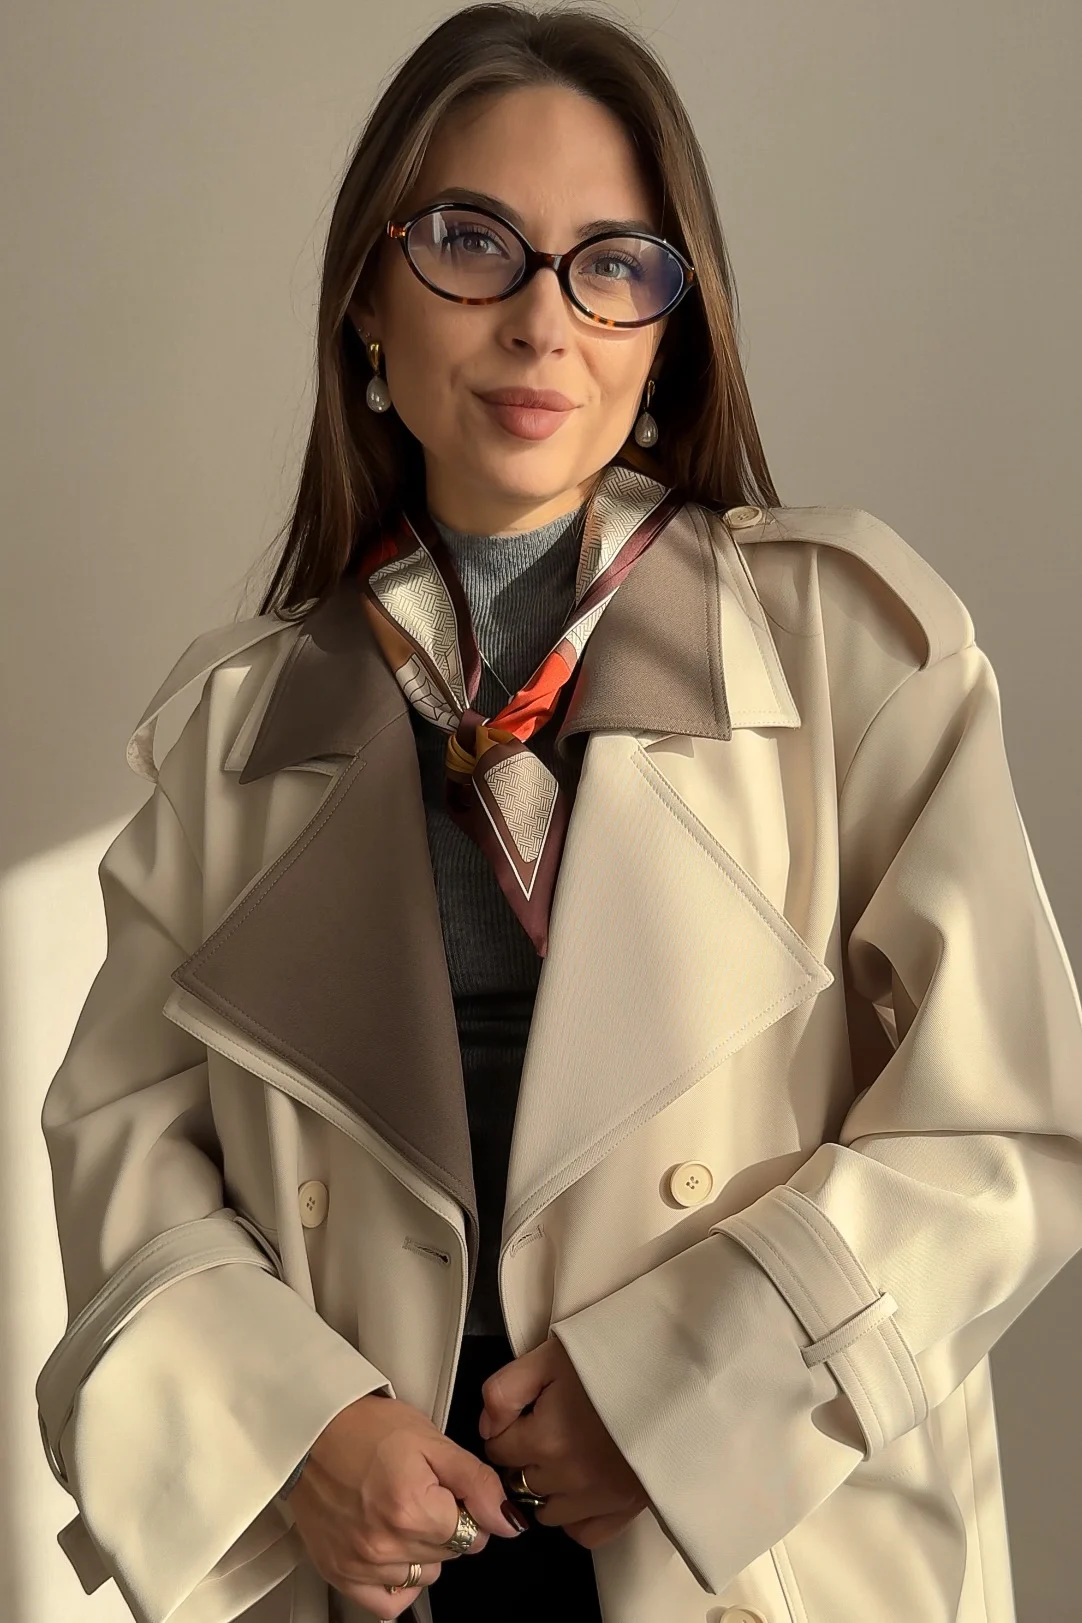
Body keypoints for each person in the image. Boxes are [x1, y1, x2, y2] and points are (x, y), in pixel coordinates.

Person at [34, 5, 1082, 1623]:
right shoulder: (238, 729)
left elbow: (1002, 1118)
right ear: (367, 296)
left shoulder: (852, 649)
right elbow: (122, 1143)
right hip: (376, 1548)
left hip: (749, 1531)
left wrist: (680, 1390)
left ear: (670, 323)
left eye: (612, 264)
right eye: (472, 243)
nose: (544, 321)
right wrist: (295, 1426)